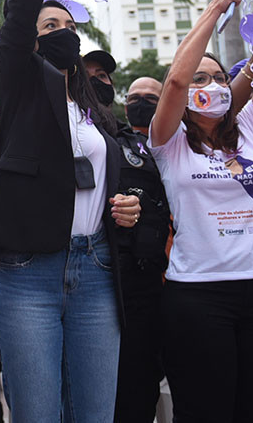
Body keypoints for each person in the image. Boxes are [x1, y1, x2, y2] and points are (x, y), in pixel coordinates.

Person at [0, 0, 140, 423]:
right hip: (28, 278)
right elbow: (16, 30)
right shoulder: (20, 90)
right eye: (51, 27)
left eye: (68, 25)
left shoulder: (96, 111)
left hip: (96, 272)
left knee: (94, 414)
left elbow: (111, 175)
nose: (61, 32)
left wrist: (126, 205)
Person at [149, 0, 253, 423]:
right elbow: (173, 82)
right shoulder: (168, 141)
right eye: (201, 78)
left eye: (217, 77)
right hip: (198, 298)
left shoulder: (250, 129)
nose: (209, 84)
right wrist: (217, 8)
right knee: (205, 412)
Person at [105, 69, 170, 423]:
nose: (141, 103)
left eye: (151, 98)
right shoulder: (112, 142)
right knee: (128, 386)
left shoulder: (179, 144)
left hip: (181, 281)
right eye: (133, 98)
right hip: (129, 282)